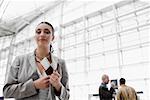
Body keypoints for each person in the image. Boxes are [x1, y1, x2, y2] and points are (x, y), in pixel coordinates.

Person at [3, 22, 70, 100]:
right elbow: (7, 92)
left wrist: (58, 86)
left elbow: (66, 97)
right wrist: (34, 85)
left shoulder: (60, 63)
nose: (42, 34)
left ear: (53, 38)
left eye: (47, 32)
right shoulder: (20, 60)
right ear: (35, 37)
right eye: (38, 32)